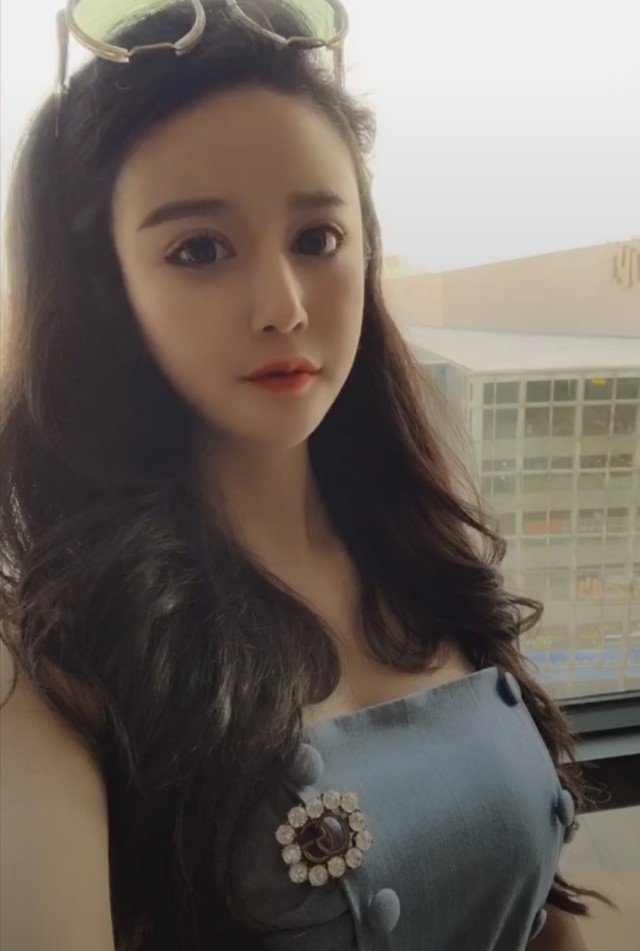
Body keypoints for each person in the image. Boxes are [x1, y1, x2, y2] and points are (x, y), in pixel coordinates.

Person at [0, 2, 609, 949]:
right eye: (200, 249)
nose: (282, 305)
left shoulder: (419, 553)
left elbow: (541, 909)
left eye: (317, 238)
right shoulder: (55, 666)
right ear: (108, 289)